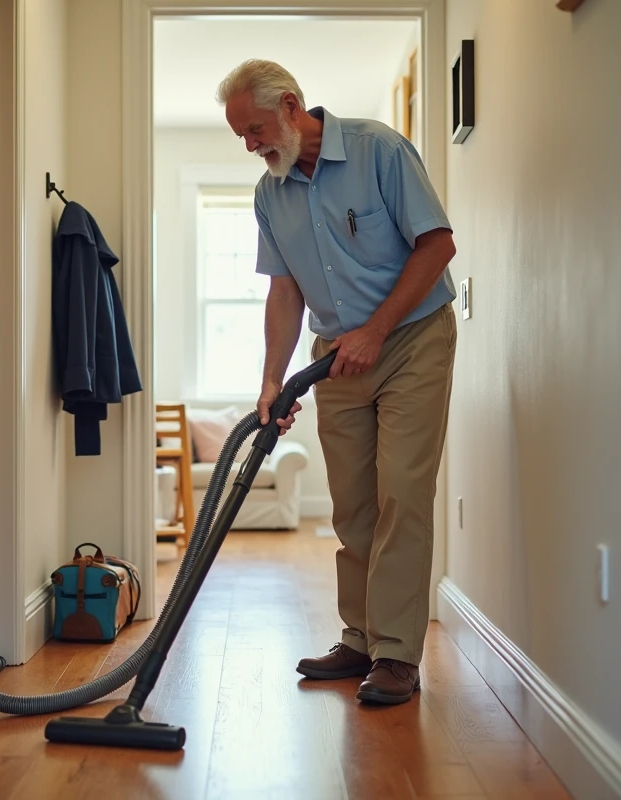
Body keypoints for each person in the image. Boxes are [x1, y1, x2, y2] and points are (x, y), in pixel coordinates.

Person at [216, 59, 458, 704]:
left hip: (411, 340)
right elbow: (285, 288)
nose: (251, 145)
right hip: (336, 355)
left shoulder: (379, 149)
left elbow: (437, 245)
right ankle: (361, 639)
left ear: (292, 106)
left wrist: (376, 331)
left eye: (257, 128)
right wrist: (272, 381)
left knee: (402, 491)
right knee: (352, 502)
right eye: (240, 134)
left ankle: (398, 655)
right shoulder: (271, 193)